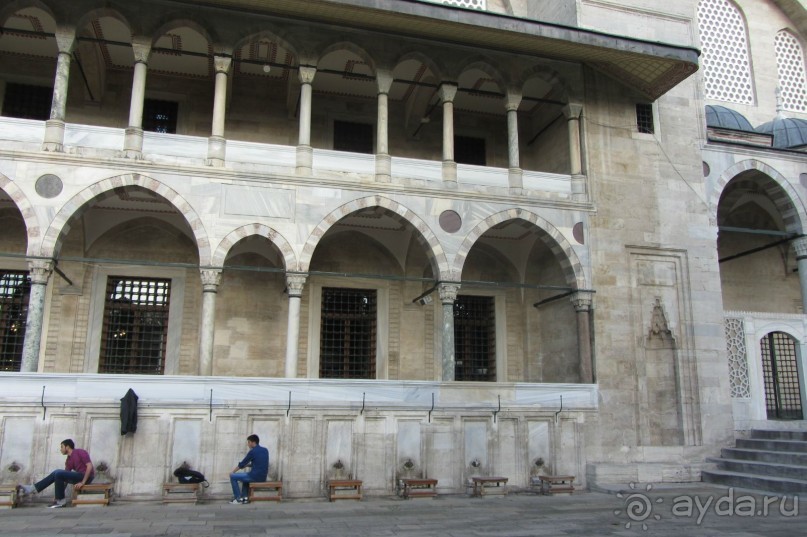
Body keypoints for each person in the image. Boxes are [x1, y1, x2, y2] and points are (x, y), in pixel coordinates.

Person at [18, 439, 94, 508]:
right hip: (78, 477)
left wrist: (83, 482)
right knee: (57, 474)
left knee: (58, 472)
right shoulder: (68, 460)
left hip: (87, 477)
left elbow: (89, 466)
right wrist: (58, 494)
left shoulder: (80, 452)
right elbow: (64, 478)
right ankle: (59, 500)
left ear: (67, 447)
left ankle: (34, 489)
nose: (60, 449)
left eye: (62, 447)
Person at [229, 434, 269, 504]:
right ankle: (245, 498)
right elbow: (259, 463)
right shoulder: (265, 450)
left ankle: (238, 499)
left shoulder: (252, 451)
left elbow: (242, 464)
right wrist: (248, 465)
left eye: (249, 442)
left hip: (254, 477)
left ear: (253, 442)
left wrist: (233, 472)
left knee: (233, 477)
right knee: (246, 478)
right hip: (263, 477)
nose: (248, 444)